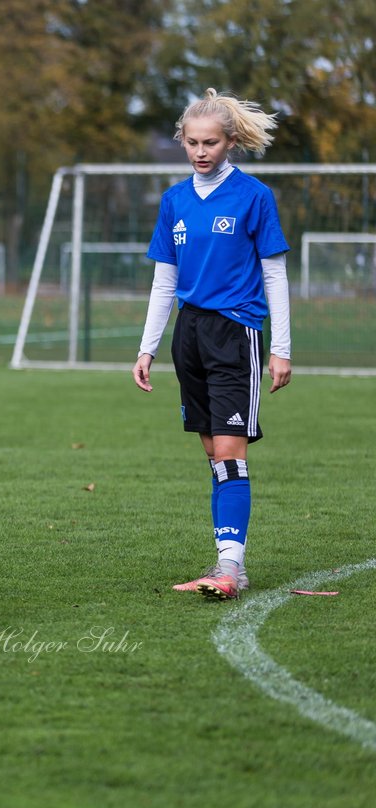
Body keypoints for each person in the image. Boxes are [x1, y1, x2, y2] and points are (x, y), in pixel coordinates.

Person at [132, 89, 292, 600]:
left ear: (231, 143)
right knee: (214, 454)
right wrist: (147, 348)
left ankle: (230, 568)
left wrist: (280, 347)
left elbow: (275, 274)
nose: (201, 151)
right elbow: (164, 280)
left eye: (212, 143)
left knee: (229, 452)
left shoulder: (253, 197)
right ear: (182, 141)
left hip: (235, 331)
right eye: (193, 142)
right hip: (190, 335)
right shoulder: (174, 200)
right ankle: (226, 559)